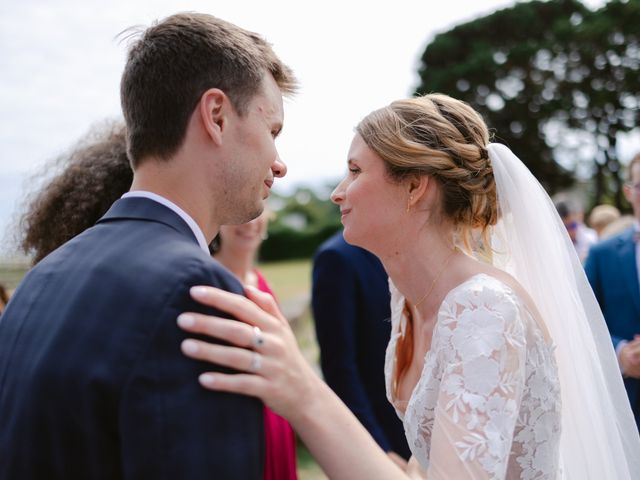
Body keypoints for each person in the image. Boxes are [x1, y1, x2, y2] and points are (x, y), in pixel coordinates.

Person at [178, 94, 640, 479]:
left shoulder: (484, 311)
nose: (338, 192)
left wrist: (303, 392)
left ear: (415, 186)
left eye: (356, 171)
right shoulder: (408, 300)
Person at [0, 12, 296, 479]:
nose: (279, 164)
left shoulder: (43, 276)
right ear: (216, 116)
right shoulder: (198, 291)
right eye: (272, 131)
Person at [212, 211, 298, 480]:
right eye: (240, 216)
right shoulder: (209, 280)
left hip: (276, 419)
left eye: (258, 215)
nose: (249, 223)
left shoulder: (262, 281)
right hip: (234, 426)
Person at [312, 231, 410, 463]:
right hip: (383, 433)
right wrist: (378, 447)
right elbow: (339, 367)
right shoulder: (337, 258)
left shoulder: (411, 246)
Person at [585, 152, 640, 431]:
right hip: (626, 406)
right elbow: (581, 320)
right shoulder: (602, 254)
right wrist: (620, 352)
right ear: (629, 192)